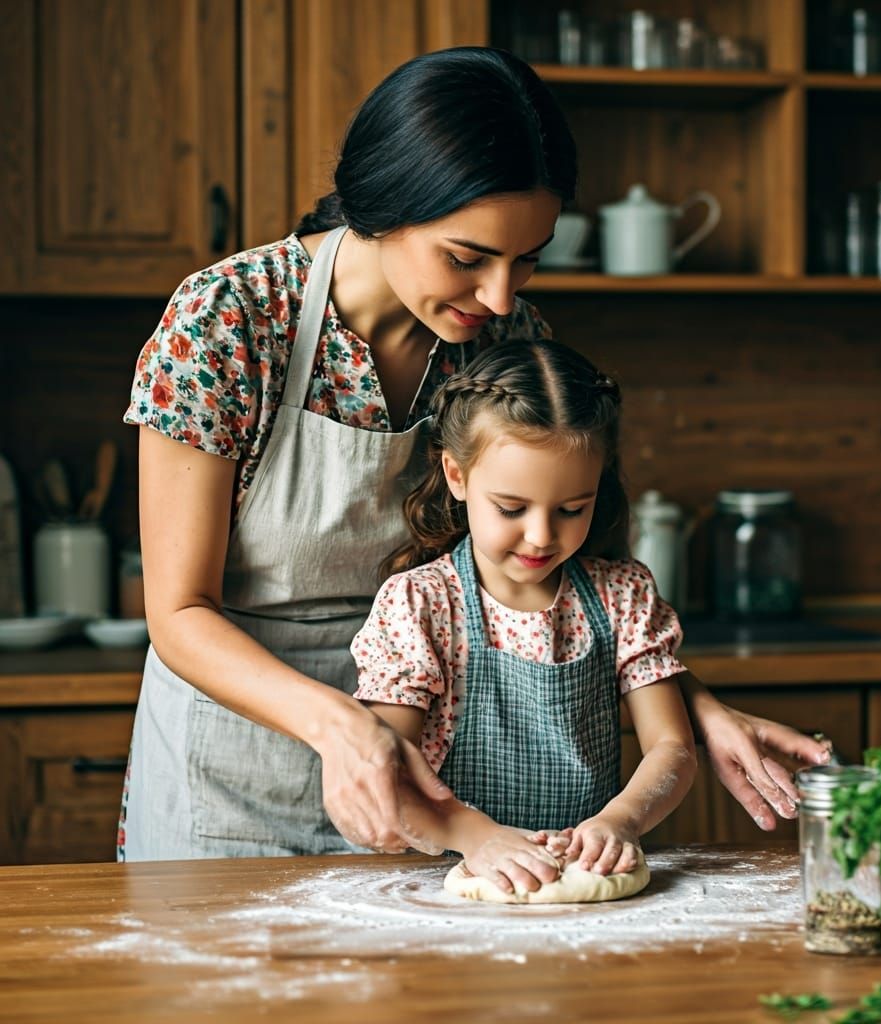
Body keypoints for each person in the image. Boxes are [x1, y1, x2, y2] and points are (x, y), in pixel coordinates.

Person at [118, 45, 828, 866]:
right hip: (228, 778)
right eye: (467, 257)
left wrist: (692, 707)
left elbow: (560, 584)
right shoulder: (230, 321)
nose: (499, 296)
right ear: (380, 207)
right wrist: (345, 726)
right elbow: (179, 615)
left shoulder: (504, 338)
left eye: (527, 258)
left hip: (435, 786)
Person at [351, 340, 697, 892]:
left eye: (571, 509)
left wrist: (622, 820)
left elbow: (671, 747)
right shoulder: (420, 606)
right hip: (435, 887)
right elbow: (386, 768)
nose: (541, 536)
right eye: (511, 509)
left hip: (581, 883)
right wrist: (475, 837)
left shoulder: (621, 595)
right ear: (458, 476)